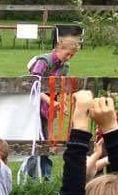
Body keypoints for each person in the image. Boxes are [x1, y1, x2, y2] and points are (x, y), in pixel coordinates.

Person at [27, 31, 81, 178]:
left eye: (72, 56)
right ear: (60, 48)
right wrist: (50, 101)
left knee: (46, 140)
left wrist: (61, 103)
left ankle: (46, 176)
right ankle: (30, 177)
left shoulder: (64, 67)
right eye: (67, 54)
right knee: (34, 140)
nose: (68, 58)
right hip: (32, 106)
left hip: (46, 108)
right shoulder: (43, 62)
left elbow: (61, 87)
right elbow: (32, 85)